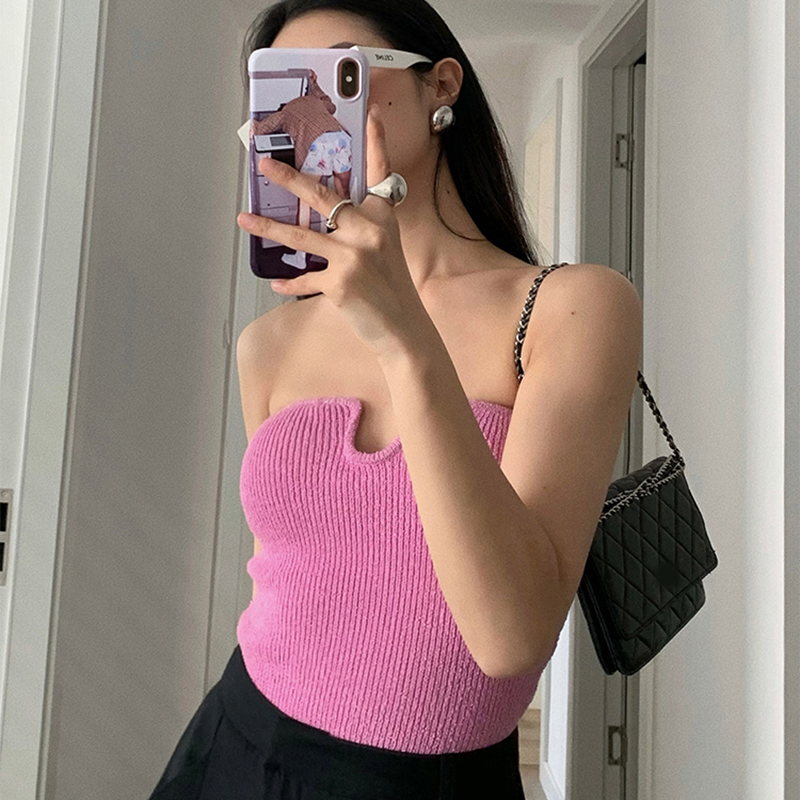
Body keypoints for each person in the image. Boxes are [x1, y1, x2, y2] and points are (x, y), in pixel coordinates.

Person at [147, 0, 642, 798]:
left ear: (439, 85)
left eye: (339, 74)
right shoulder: (268, 344)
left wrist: (406, 341)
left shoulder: (571, 309)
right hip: (237, 740)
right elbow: (303, 570)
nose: (311, 113)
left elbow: (511, 638)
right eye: (284, 91)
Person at [252, 68, 353, 268]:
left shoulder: (285, 112)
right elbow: (330, 104)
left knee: (306, 198)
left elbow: (260, 129)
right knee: (342, 190)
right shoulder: (315, 101)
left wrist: (253, 121)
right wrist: (314, 83)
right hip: (341, 138)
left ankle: (301, 256)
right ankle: (347, 241)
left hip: (319, 144)